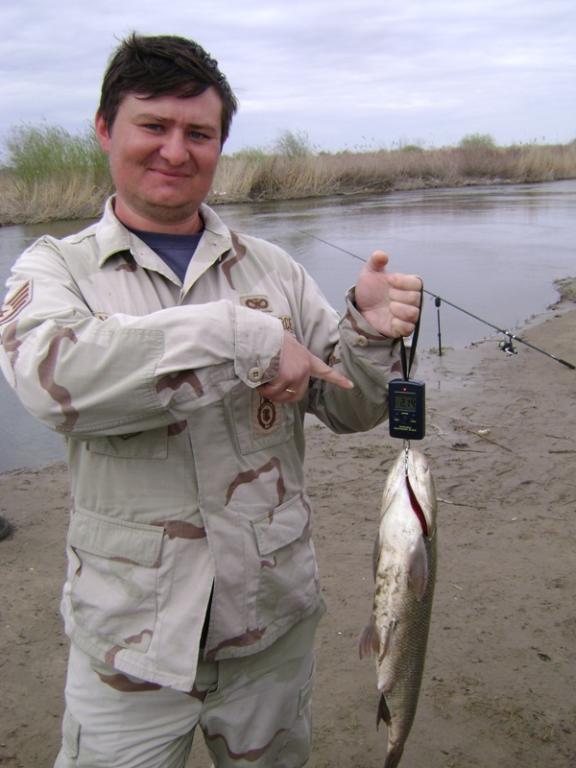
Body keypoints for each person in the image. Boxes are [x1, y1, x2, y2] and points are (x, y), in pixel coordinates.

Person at [0, 34, 422, 768]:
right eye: (152, 125)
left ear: (220, 144)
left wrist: (368, 330)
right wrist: (244, 335)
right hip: (130, 650)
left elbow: (350, 407)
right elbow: (52, 382)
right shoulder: (56, 268)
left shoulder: (275, 269)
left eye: (198, 133)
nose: (175, 150)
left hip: (271, 629)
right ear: (105, 129)